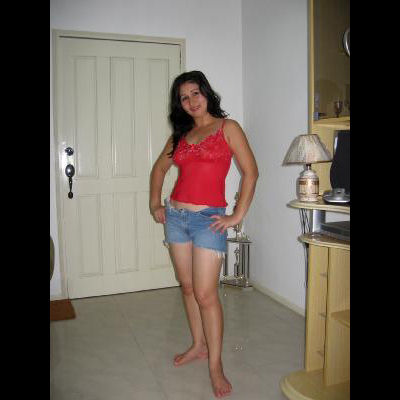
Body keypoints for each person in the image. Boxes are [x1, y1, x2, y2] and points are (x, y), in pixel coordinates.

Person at [149, 71, 258, 398]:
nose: (191, 101)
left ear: (207, 93)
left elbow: (251, 172)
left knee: (206, 294)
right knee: (187, 287)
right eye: (184, 97)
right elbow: (159, 169)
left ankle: (215, 365)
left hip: (208, 220)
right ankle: (198, 345)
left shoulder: (228, 128)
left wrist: (237, 215)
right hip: (176, 217)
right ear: (179, 104)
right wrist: (156, 203)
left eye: (195, 93)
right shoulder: (180, 136)